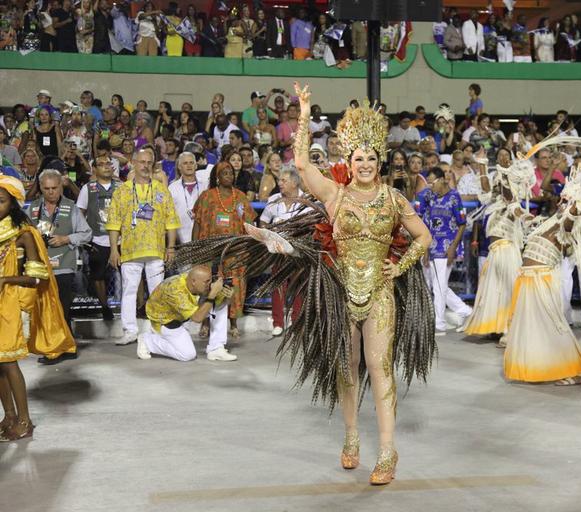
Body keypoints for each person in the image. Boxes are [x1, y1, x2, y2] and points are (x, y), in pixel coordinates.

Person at [174, 83, 436, 485]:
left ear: (380, 161)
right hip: (339, 290)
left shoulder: (394, 199)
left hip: (380, 293)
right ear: (349, 160)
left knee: (381, 369)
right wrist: (305, 110)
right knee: (347, 369)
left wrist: (399, 268)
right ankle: (351, 437)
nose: (364, 163)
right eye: (358, 157)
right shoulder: (334, 194)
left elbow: (424, 239)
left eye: (371, 157)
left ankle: (387, 451)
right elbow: (299, 159)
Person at [0, 176, 76, 442]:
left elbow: (37, 276)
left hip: (10, 305)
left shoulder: (23, 234)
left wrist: (6, 279)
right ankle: (8, 416)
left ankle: (24, 420)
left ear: (13, 204)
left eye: (1, 201)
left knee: (9, 363)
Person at [106, 149, 180, 346]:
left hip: (156, 250)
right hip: (130, 250)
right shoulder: (122, 191)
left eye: (149, 162)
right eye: (142, 162)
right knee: (129, 290)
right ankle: (130, 330)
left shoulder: (161, 190)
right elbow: (113, 223)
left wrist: (171, 247)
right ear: (133, 163)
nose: (146, 166)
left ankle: (158, 329)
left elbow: (171, 221)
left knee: (157, 292)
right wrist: (114, 249)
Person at [461, 148, 535, 339]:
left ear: (510, 160)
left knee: (509, 284)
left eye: (506, 155)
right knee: (494, 286)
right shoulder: (496, 181)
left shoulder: (515, 179)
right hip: (494, 239)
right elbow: (485, 190)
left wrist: (505, 178)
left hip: (508, 239)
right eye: (500, 155)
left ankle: (511, 327)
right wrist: (482, 163)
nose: (503, 157)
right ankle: (496, 325)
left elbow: (511, 199)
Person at [26, 169, 92, 351]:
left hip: (64, 265)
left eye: (55, 188)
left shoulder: (71, 207)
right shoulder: (32, 209)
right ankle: (50, 346)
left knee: (62, 308)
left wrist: (66, 239)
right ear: (40, 187)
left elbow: (87, 233)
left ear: (60, 187)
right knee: (45, 309)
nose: (51, 192)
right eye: (46, 188)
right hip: (41, 267)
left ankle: (66, 346)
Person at [192, 162, 255, 338]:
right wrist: (195, 248)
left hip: (235, 252)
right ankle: (204, 323)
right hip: (210, 250)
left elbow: (249, 224)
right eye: (225, 173)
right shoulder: (207, 197)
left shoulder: (241, 197)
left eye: (231, 173)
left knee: (235, 286)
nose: (229, 176)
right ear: (217, 177)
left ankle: (233, 323)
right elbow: (197, 223)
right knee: (208, 285)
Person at [139, 265, 236, 362]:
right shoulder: (176, 289)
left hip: (183, 314)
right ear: (193, 281)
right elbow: (197, 319)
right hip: (166, 321)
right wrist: (213, 293)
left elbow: (225, 303)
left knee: (219, 303)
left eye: (210, 280)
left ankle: (216, 349)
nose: (209, 284)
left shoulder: (195, 281)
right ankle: (148, 341)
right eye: (206, 282)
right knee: (187, 355)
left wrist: (228, 296)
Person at [418, 167, 473, 335]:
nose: (430, 186)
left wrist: (453, 248)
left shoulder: (454, 197)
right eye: (429, 182)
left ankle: (439, 325)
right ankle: (467, 312)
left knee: (439, 286)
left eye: (433, 182)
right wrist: (425, 249)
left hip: (447, 246)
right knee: (438, 285)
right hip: (431, 246)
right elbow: (424, 221)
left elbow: (462, 223)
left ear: (443, 180)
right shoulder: (429, 197)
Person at [260, 168, 305, 336]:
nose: (280, 184)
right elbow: (263, 221)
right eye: (279, 180)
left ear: (294, 182)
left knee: (298, 286)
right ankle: (278, 322)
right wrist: (269, 238)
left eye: (284, 181)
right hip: (277, 252)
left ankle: (295, 321)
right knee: (278, 286)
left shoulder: (306, 200)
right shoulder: (274, 200)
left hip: (297, 252)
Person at [77, 154, 121, 320]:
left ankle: (138, 306)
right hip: (97, 239)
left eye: (108, 163)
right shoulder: (88, 188)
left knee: (132, 274)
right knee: (98, 275)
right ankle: (105, 308)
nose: (106, 166)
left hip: (121, 239)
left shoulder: (122, 186)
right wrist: (85, 237)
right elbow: (80, 213)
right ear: (94, 169)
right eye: (101, 164)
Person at [168, 152, 209, 245]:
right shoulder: (172, 188)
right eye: (185, 163)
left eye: (191, 163)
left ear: (196, 165)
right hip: (181, 240)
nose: (189, 165)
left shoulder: (206, 185)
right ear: (179, 166)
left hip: (204, 239)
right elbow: (170, 216)